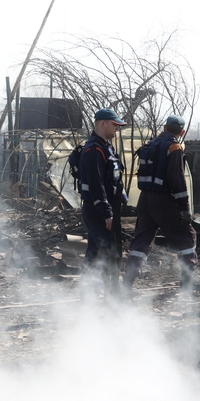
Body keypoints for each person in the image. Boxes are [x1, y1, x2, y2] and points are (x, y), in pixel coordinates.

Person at [123, 115, 200, 294]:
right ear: (182, 132)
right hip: (164, 201)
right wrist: (184, 208)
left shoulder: (150, 145)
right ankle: (187, 282)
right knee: (187, 237)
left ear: (164, 127)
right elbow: (176, 179)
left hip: (145, 199)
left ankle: (127, 284)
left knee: (142, 240)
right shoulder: (174, 147)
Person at [78, 108, 127, 298]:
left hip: (103, 208)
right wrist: (107, 212)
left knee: (96, 250)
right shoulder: (94, 150)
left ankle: (89, 292)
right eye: (114, 124)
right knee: (107, 251)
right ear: (102, 124)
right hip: (97, 209)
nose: (117, 128)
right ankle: (109, 293)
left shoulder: (105, 147)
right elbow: (97, 185)